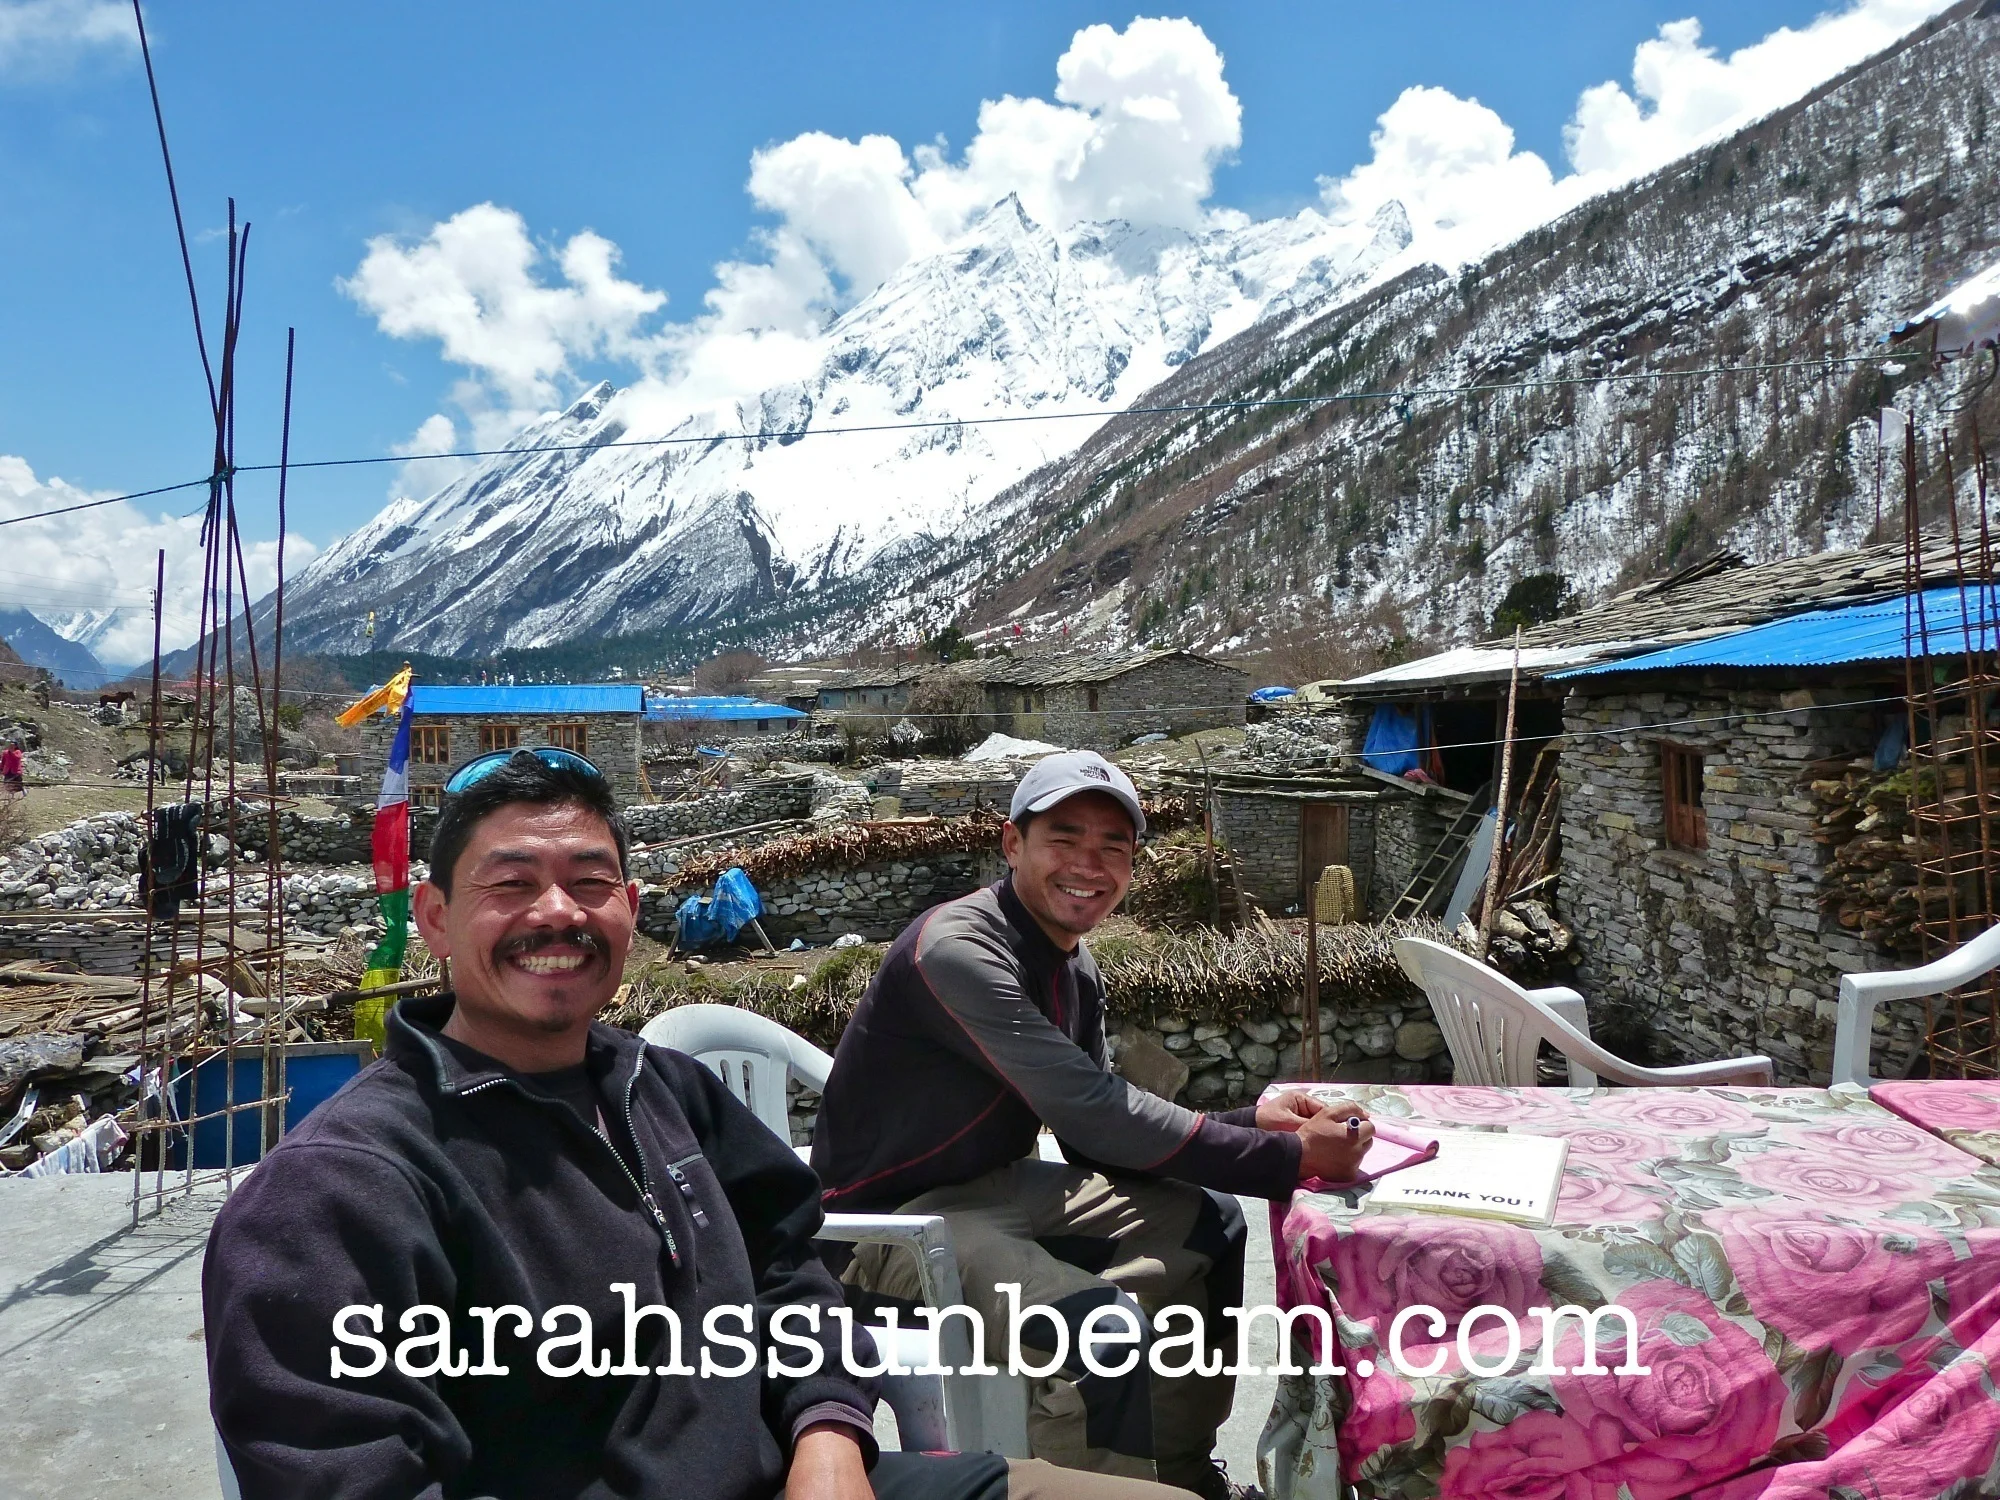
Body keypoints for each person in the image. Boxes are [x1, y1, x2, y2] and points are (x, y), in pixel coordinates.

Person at [202, 748, 1196, 1500]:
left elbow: (789, 1265)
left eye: (590, 883)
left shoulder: (665, 1093)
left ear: (632, 908)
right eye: (510, 885)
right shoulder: (337, 1194)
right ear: (433, 914)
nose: (559, 912)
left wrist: (827, 1432)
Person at [811, 752, 1373, 1500]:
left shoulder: (1071, 964)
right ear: (1013, 845)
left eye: (1112, 846)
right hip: (882, 1229)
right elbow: (1095, 1113)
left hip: (991, 1190)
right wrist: (1285, 1156)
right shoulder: (959, 949)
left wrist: (1253, 1122)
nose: (1089, 864)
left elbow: (1090, 1133)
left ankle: (1176, 1476)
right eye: (1064, 837)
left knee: (1210, 1222)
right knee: (1098, 1337)